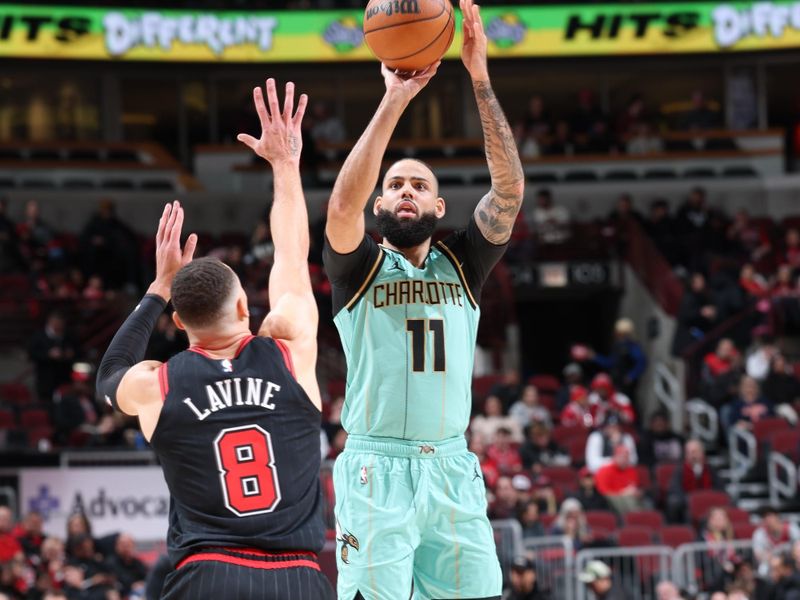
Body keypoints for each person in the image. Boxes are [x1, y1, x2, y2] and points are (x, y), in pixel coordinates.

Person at [96, 80, 334, 599]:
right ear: (246, 307)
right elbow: (293, 255)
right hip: (298, 576)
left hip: (208, 575)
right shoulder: (290, 348)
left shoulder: (158, 383)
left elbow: (108, 377)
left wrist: (157, 289)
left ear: (177, 324)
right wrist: (286, 164)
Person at [322, 0, 524, 597]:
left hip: (452, 469)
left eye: (419, 184)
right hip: (374, 468)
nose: (405, 190)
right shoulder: (356, 267)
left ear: (439, 209)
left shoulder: (463, 261)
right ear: (380, 207)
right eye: (394, 185)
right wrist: (396, 97)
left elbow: (509, 191)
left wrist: (480, 79)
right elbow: (339, 209)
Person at [667, 439, 720, 523]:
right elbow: (675, 489)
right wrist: (690, 500)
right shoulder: (680, 470)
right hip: (687, 502)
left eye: (695, 452)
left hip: (708, 501)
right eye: (689, 452)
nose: (692, 455)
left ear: (702, 453)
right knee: (674, 502)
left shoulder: (710, 469)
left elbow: (719, 488)